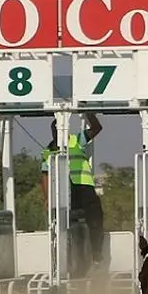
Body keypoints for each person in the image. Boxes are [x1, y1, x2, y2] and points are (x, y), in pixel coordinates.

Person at [41, 113, 105, 270]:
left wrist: (88, 113)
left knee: (95, 219)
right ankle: (64, 261)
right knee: (63, 225)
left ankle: (96, 254)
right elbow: (45, 175)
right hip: (62, 192)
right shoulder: (48, 152)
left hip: (84, 187)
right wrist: (47, 197)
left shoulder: (77, 140)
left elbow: (96, 128)